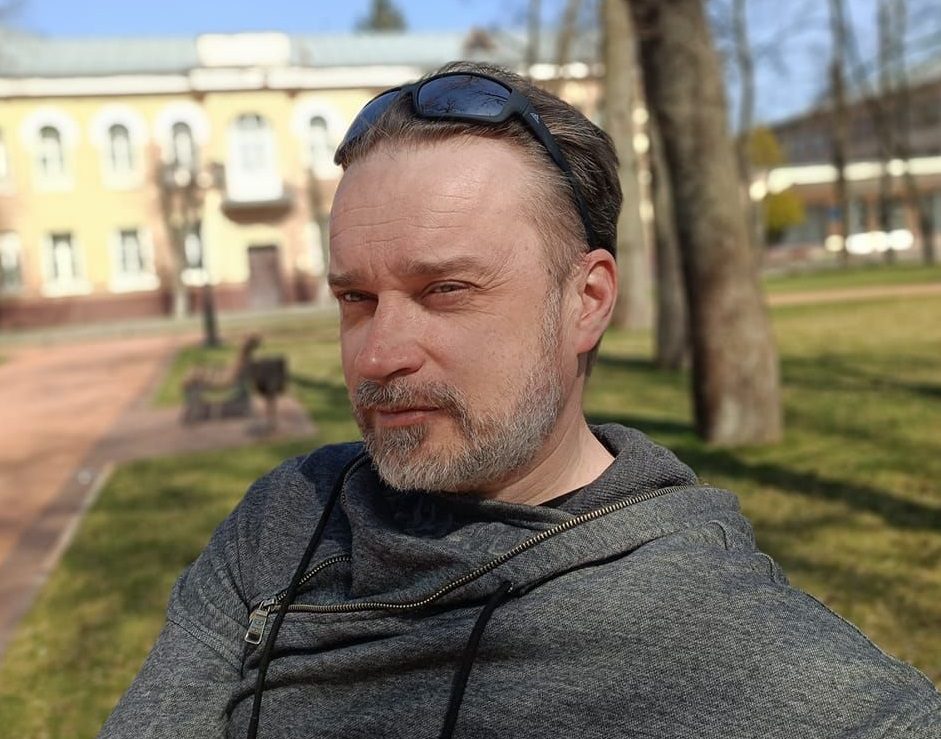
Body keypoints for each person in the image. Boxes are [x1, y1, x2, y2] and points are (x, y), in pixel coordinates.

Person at [99, 61, 941, 739]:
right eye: (355, 297)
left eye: (445, 289)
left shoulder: (730, 638)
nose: (378, 354)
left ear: (586, 300)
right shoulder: (285, 518)